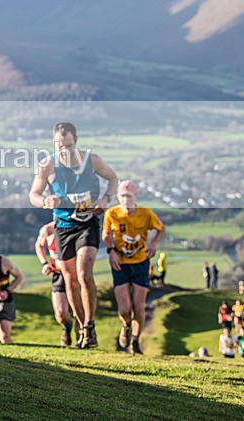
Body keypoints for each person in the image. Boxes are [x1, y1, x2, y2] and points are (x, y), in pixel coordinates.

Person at [29, 121, 118, 349]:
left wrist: (105, 199)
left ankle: (90, 324)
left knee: (84, 269)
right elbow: (34, 194)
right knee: (69, 278)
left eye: (68, 145)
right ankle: (81, 328)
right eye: (59, 145)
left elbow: (113, 179)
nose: (64, 150)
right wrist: (45, 201)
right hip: (62, 225)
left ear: (75, 142)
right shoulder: (47, 165)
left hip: (87, 223)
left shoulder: (92, 160)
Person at [103, 180, 166, 355]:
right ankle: (125, 326)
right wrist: (111, 251)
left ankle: (136, 342)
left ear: (135, 197)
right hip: (120, 264)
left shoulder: (145, 214)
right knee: (124, 309)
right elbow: (106, 234)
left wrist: (153, 244)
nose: (125, 200)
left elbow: (161, 229)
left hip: (140, 262)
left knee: (139, 307)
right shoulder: (112, 214)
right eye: (122, 196)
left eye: (128, 196)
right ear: (117, 197)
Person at [34, 221, 79, 346]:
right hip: (58, 274)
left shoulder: (77, 228)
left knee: (78, 311)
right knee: (60, 314)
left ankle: (81, 339)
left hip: (75, 275)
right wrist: (44, 263)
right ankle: (66, 326)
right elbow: (39, 245)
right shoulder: (48, 230)